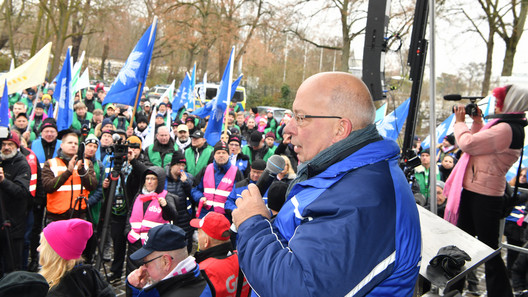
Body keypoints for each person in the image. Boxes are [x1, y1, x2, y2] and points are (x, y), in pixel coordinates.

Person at [232, 72, 421, 296]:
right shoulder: (347, 176)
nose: (287, 129)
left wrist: (253, 223)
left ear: (340, 129)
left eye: (301, 118)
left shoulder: (364, 199)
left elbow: (299, 289)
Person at [444, 84, 528, 297]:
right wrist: (478, 122)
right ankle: (454, 288)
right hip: (477, 190)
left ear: (512, 103)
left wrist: (461, 123)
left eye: (501, 101)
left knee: (488, 251)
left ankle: (499, 293)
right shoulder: (506, 125)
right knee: (462, 244)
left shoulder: (506, 128)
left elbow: (469, 144)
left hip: (485, 195)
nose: (497, 105)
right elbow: (481, 145)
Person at [127, 224, 213, 297]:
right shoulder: (198, 276)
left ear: (166, 262)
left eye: (146, 263)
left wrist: (132, 291)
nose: (143, 268)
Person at [37, 219, 114, 296]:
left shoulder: (57, 292)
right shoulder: (91, 274)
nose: (38, 248)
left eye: (42, 244)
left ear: (54, 253)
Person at [42, 131, 97, 222]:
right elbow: (48, 187)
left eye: (76, 143)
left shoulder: (87, 163)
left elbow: (92, 186)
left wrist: (81, 171)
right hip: (56, 217)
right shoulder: (50, 163)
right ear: (62, 145)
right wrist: (68, 172)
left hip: (79, 215)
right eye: (70, 143)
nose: (73, 145)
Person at [191, 212, 250, 297]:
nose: (198, 237)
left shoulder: (203, 271)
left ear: (206, 241)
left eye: (199, 233)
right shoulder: (242, 258)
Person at [0, 132, 31, 277]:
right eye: (3, 144)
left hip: (14, 225)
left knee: (12, 267)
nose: (6, 147)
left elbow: (21, 193)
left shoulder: (22, 164)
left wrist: (3, 181)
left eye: (10, 144)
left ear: (16, 146)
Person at [192, 141, 244, 218]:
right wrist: (200, 197)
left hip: (225, 216)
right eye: (218, 153)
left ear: (228, 155)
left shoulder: (236, 172)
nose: (221, 155)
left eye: (224, 153)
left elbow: (240, 196)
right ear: (214, 155)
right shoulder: (206, 169)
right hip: (205, 214)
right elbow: (194, 188)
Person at [165, 150, 194, 252]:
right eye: (178, 164)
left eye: (183, 165)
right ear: (172, 165)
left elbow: (193, 197)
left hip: (184, 219)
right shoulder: (163, 177)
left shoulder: (188, 177)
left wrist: (186, 183)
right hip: (168, 218)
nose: (181, 168)